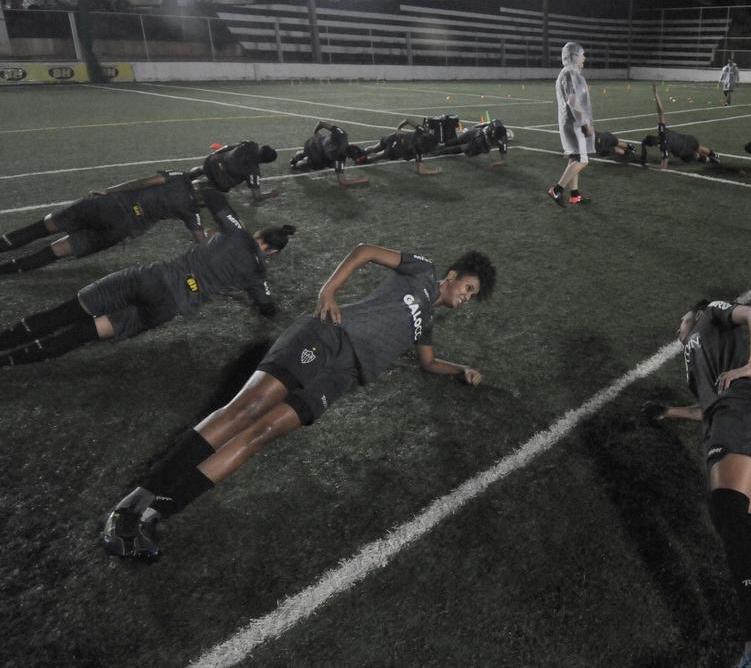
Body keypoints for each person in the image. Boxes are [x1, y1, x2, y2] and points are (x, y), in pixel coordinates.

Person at [101, 245, 497, 559]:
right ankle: (130, 507)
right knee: (247, 408)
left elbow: (428, 363)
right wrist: (328, 291)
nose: (466, 298)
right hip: (328, 336)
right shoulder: (422, 270)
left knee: (262, 433)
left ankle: (156, 514)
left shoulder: (426, 321)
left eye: (472, 296)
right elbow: (365, 251)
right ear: (452, 275)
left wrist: (461, 369)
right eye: (468, 288)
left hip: (343, 376)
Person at [642, 300, 751, 668]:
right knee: (745, 516)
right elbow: (706, 407)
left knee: (729, 509)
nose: (678, 328)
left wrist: (750, 367)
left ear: (694, 316)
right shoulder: (695, 365)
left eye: (681, 320)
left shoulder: (710, 313)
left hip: (737, 413)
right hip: (726, 419)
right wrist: (669, 411)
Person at [0, 189, 292, 366]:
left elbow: (212, 195)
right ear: (274, 253)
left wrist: (232, 222)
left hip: (151, 279)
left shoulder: (237, 232)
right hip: (167, 306)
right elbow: (266, 306)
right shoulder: (259, 273)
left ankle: (6, 340)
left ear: (259, 233)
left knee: (67, 312)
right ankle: (9, 361)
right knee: (83, 333)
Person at [0, 171, 204, 275]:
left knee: (41, 228)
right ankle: (5, 270)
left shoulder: (179, 177)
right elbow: (200, 241)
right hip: (121, 227)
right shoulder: (193, 212)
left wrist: (109, 190)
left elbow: (143, 182)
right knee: (57, 250)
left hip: (107, 206)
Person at [548, 41, 595, 207]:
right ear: (574, 56)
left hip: (570, 121)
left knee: (575, 157)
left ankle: (575, 195)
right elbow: (573, 101)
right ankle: (557, 189)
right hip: (574, 123)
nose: (584, 58)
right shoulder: (570, 73)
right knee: (582, 160)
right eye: (582, 55)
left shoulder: (568, 73)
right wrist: (586, 122)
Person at [641, 81, 720, 169]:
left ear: (654, 145)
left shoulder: (663, 147)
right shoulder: (661, 131)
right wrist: (656, 94)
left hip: (684, 151)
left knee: (693, 156)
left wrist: (650, 165)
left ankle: (711, 159)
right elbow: (661, 111)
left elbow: (663, 166)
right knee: (698, 148)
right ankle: (714, 155)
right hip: (687, 140)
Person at [189, 139, 279, 201]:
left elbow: (227, 147)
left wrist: (213, 155)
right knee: (223, 187)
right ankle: (198, 186)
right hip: (220, 179)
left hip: (211, 163)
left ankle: (189, 175)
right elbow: (257, 196)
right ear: (264, 161)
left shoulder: (250, 144)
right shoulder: (254, 171)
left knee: (211, 165)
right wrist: (271, 194)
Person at [289, 121, 369, 187]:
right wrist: (362, 180)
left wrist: (316, 132)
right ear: (348, 156)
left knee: (315, 154)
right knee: (320, 165)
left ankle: (298, 156)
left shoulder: (342, 134)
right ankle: (299, 165)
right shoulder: (340, 159)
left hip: (312, 142)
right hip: (316, 156)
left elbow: (321, 123)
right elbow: (343, 182)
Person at [356, 118, 442, 175]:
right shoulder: (419, 150)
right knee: (378, 156)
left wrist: (398, 129)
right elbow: (421, 171)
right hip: (395, 150)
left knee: (375, 148)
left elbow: (408, 120)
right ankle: (362, 160)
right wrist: (435, 171)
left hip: (394, 138)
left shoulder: (422, 131)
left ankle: (359, 153)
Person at [434, 119, 509, 167]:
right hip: (476, 132)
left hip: (481, 142)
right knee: (459, 140)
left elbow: (503, 157)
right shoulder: (495, 123)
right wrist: (474, 127)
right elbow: (483, 124)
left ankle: (440, 152)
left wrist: (497, 162)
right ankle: (442, 145)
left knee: (463, 148)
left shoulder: (502, 140)